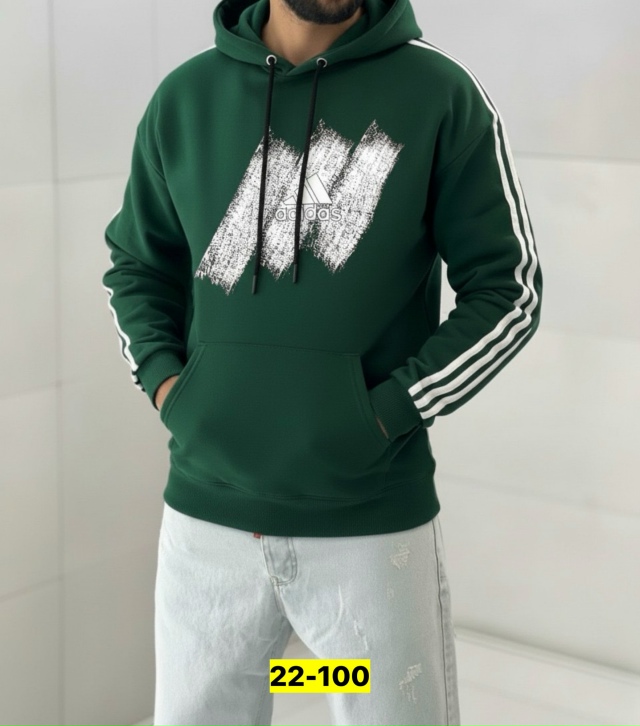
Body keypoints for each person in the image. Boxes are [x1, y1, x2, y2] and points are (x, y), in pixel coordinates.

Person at [101, 0, 543, 720]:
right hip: (207, 525)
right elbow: (138, 265)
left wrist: (387, 413)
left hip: (366, 527)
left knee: (373, 707)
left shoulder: (439, 95)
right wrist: (170, 388)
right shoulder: (185, 98)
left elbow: (508, 289)